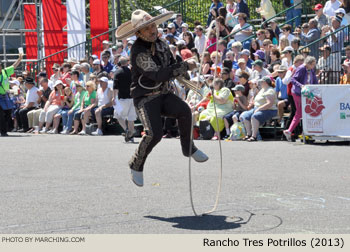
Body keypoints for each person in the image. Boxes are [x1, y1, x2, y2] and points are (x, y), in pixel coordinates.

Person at [115, 9, 208, 186]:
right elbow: (157, 74)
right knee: (154, 134)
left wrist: (186, 71)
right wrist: (184, 67)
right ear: (138, 33)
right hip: (145, 98)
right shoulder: (137, 51)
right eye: (147, 27)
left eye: (153, 25)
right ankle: (136, 164)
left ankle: (188, 148)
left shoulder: (162, 44)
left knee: (184, 111)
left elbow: (171, 64)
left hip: (163, 93)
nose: (152, 30)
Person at [283, 56, 318, 141]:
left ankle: (297, 131)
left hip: (307, 92)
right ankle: (290, 131)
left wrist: (317, 86)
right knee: (300, 112)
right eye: (313, 64)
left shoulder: (311, 69)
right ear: (309, 64)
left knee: (306, 111)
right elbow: (293, 79)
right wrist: (301, 86)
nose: (314, 66)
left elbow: (314, 79)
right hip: (298, 93)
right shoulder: (301, 68)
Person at [240, 76, 278, 142]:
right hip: (257, 108)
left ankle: (254, 136)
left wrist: (259, 109)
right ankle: (249, 134)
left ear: (265, 82)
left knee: (255, 116)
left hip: (269, 110)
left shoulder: (270, 90)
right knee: (244, 115)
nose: (260, 83)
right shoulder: (262, 90)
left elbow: (270, 103)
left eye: (261, 82)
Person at [113, 57, 137, 141]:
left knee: (117, 115)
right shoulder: (131, 71)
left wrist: (113, 97)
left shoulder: (118, 72)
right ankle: (131, 136)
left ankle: (127, 130)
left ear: (119, 63)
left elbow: (115, 87)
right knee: (131, 118)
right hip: (133, 97)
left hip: (123, 98)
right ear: (127, 63)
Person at [0, 54, 23, 136]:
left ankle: (4, 129)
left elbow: (14, 66)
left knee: (8, 112)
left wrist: (19, 59)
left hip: (5, 95)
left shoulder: (5, 71)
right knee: (1, 114)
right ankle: (3, 131)